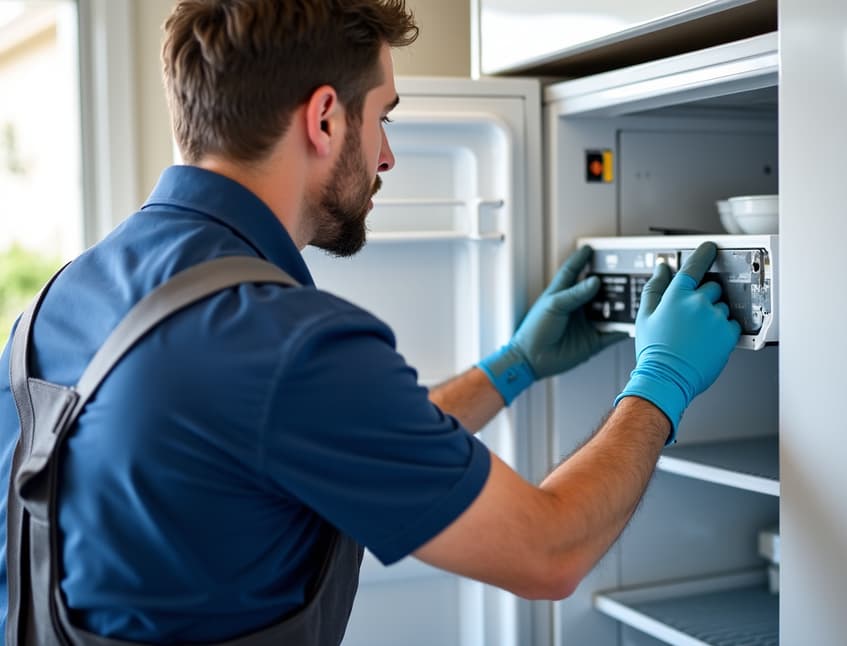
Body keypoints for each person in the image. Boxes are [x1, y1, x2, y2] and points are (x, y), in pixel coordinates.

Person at [0, 0, 741, 644]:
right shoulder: (281, 339)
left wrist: (516, 363)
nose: (386, 155)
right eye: (382, 115)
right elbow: (549, 552)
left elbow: (326, 439)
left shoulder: (57, 302)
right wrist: (661, 380)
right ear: (325, 117)